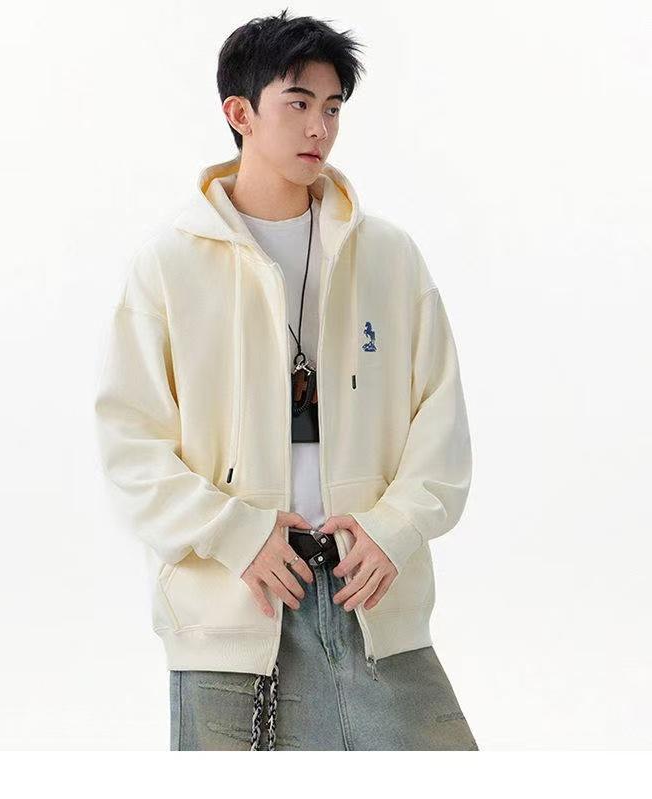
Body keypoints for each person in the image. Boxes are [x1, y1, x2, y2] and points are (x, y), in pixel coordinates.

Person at [94, 9, 478, 751]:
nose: (319, 128)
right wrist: (236, 533)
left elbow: (442, 420)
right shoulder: (168, 264)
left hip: (372, 593)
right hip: (234, 606)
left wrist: (393, 529)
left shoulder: (389, 256)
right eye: (298, 103)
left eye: (332, 107)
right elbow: (129, 447)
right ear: (239, 113)